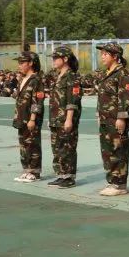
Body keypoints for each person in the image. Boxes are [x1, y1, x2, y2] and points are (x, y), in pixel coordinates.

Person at [95, 43, 129, 196]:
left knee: (119, 150)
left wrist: (121, 118)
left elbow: (125, 97)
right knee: (107, 151)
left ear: (115, 56)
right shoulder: (106, 73)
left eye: (105, 54)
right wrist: (99, 114)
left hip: (116, 119)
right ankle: (112, 181)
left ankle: (120, 184)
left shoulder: (123, 74)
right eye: (102, 54)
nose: (102, 57)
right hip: (105, 119)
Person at [46, 46, 82, 188]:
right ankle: (61, 175)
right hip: (56, 119)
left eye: (56, 58)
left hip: (66, 119)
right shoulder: (58, 76)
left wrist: (68, 119)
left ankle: (68, 177)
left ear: (65, 59)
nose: (53, 61)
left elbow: (72, 100)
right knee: (57, 148)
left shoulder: (71, 76)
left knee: (67, 148)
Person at [12, 51, 44, 182]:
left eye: (22, 63)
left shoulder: (36, 80)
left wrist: (32, 118)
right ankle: (26, 170)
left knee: (32, 144)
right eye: (19, 63)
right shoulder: (22, 78)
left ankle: (34, 172)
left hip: (31, 118)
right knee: (23, 145)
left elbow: (38, 101)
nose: (19, 65)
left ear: (30, 63)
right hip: (21, 117)